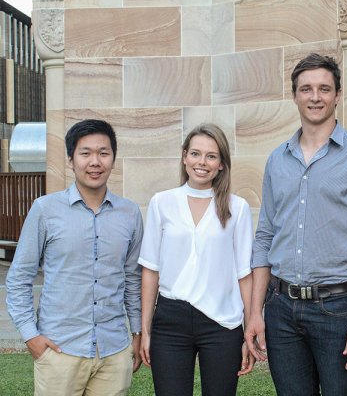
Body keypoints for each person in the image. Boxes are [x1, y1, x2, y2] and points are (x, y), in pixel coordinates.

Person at [245, 53, 347, 396]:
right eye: (306, 89)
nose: (315, 96)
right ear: (295, 95)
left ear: (337, 95)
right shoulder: (277, 160)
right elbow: (265, 237)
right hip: (281, 309)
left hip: (339, 310)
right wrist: (255, 312)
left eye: (324, 89)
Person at [6, 119, 143, 396]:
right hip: (59, 349)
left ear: (113, 159)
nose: (95, 162)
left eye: (103, 153)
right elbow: (19, 277)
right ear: (71, 159)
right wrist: (31, 335)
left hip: (113, 351)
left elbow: (132, 279)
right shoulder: (45, 210)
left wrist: (137, 333)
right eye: (86, 153)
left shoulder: (130, 213)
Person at [139, 123, 255, 396]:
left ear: (222, 164)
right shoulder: (161, 202)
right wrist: (146, 330)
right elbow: (150, 271)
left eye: (211, 156)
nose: (202, 162)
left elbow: (244, 274)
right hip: (171, 318)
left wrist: (249, 328)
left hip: (222, 322)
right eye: (195, 153)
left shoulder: (237, 208)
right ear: (184, 156)